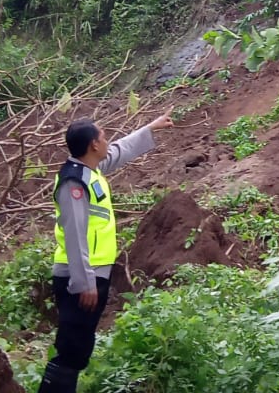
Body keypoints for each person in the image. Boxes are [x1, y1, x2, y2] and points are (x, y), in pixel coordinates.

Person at [37, 113, 174, 393]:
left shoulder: (90, 170)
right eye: (102, 136)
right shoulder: (74, 183)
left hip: (93, 272)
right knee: (72, 348)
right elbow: (75, 236)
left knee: (79, 346)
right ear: (93, 146)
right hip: (80, 278)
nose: (107, 140)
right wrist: (85, 282)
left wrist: (150, 127)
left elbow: (120, 150)